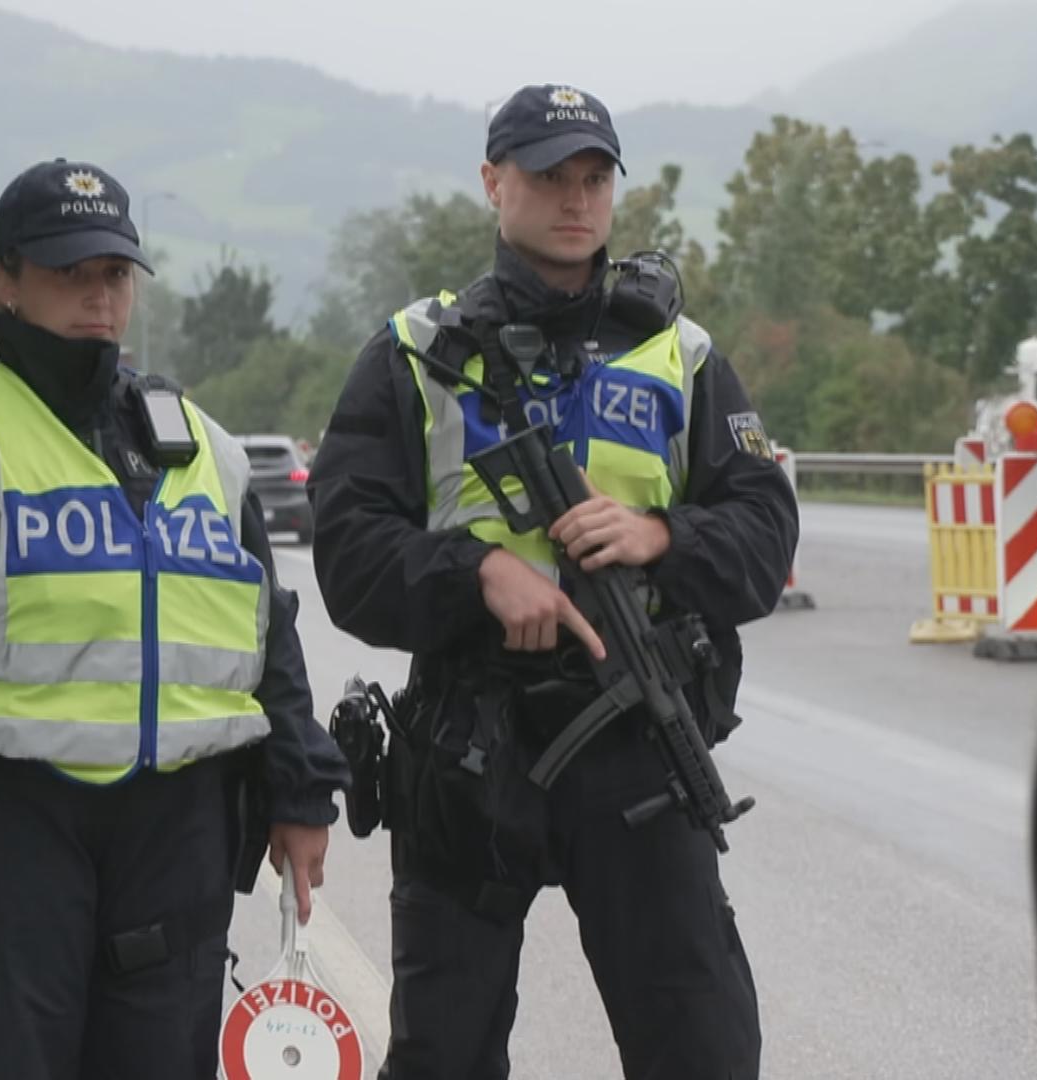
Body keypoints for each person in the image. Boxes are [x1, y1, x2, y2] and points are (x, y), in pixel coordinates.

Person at [310, 84, 798, 1080]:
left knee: (701, 1048)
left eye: (594, 176)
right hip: (466, 747)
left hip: (639, 747)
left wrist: (662, 536)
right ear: (495, 183)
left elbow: (762, 531)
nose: (575, 198)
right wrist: (475, 573)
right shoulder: (417, 354)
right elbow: (348, 551)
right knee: (444, 1056)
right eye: (547, 176)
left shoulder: (682, 352)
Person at [0, 158, 350, 1080]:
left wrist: (301, 792)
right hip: (8, 828)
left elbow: (267, 635)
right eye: (70, 273)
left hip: (176, 834)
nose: (97, 297)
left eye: (112, 275)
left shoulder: (203, 448)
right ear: (7, 280)